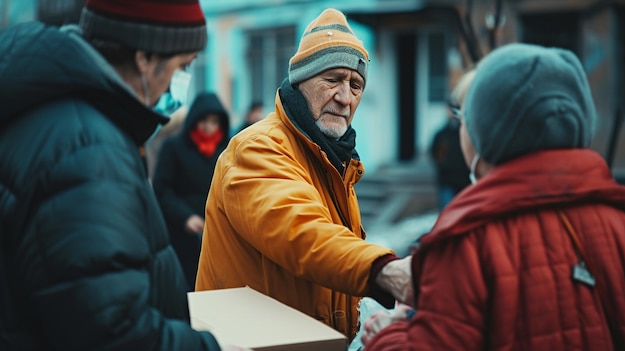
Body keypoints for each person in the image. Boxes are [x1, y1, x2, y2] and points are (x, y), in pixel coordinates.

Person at [0, 0, 250, 350]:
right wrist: (216, 346)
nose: (181, 85)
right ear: (144, 58)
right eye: (182, 66)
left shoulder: (57, 111)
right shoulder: (90, 149)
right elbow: (114, 332)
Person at [361, 43, 625, 350]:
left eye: (466, 119)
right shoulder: (618, 220)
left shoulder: (466, 241)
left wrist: (388, 335)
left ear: (485, 133)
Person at [195, 8, 413, 341]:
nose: (344, 97)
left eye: (356, 85)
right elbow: (301, 231)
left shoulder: (334, 160)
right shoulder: (257, 147)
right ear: (301, 81)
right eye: (333, 79)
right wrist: (382, 270)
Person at [152, 91, 231, 291]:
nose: (208, 127)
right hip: (182, 237)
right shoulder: (174, 147)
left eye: (214, 122)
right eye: (203, 121)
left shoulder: (228, 148)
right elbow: (162, 190)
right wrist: (185, 217)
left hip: (217, 236)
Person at [429, 71, 474, 210]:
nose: (454, 113)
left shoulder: (467, 132)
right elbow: (434, 153)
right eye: (451, 109)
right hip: (447, 181)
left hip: (464, 182)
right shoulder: (442, 134)